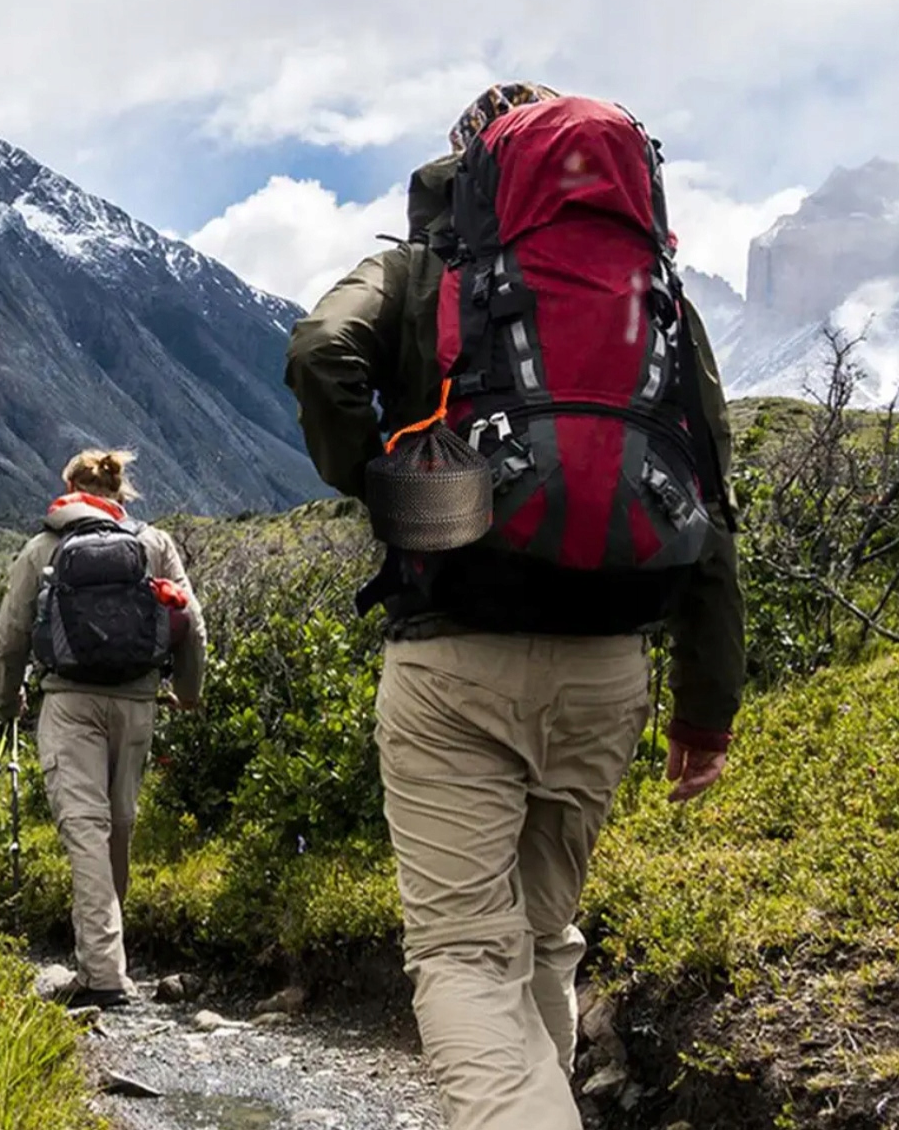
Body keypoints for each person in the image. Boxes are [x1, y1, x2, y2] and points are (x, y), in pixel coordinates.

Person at [285, 83, 745, 1129]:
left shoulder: (420, 271)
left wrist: (389, 487)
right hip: (608, 669)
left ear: (472, 168)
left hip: (453, 658)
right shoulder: (657, 299)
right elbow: (707, 496)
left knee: (462, 952)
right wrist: (706, 706)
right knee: (542, 935)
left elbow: (319, 352)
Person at [0, 449, 207, 1009]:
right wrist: (187, 693)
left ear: (69, 489)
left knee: (85, 828)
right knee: (118, 826)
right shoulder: (154, 544)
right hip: (137, 703)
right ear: (120, 492)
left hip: (69, 704)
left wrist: (7, 701)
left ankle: (104, 974)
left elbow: (10, 638)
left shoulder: (42, 548)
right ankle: (108, 958)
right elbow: (192, 624)